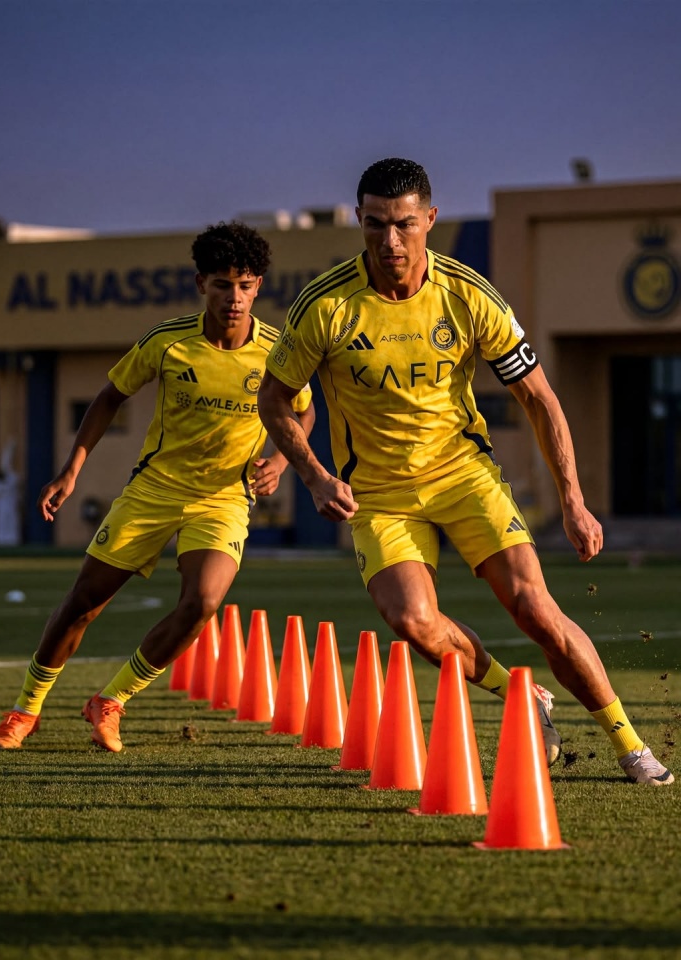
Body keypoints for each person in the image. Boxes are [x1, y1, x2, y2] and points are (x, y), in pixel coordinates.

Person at [258, 157, 673, 786]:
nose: (389, 240)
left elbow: (539, 398)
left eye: (403, 224)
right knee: (413, 621)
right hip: (380, 494)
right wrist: (313, 475)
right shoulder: (326, 305)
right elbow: (274, 398)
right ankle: (521, 694)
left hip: (463, 475)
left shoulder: (468, 294)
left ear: (430, 218)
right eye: (375, 224)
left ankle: (630, 744)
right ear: (358, 220)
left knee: (536, 610)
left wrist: (573, 499)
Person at [0, 221, 314, 753]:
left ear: (259, 287)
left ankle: (111, 701)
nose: (234, 297)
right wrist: (72, 469)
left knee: (202, 603)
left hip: (224, 499)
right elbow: (109, 398)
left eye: (245, 285)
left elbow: (304, 409)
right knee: (83, 604)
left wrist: (280, 460)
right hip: (153, 492)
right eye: (222, 284)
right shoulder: (168, 341)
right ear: (201, 284)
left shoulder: (279, 351)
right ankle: (25, 710)